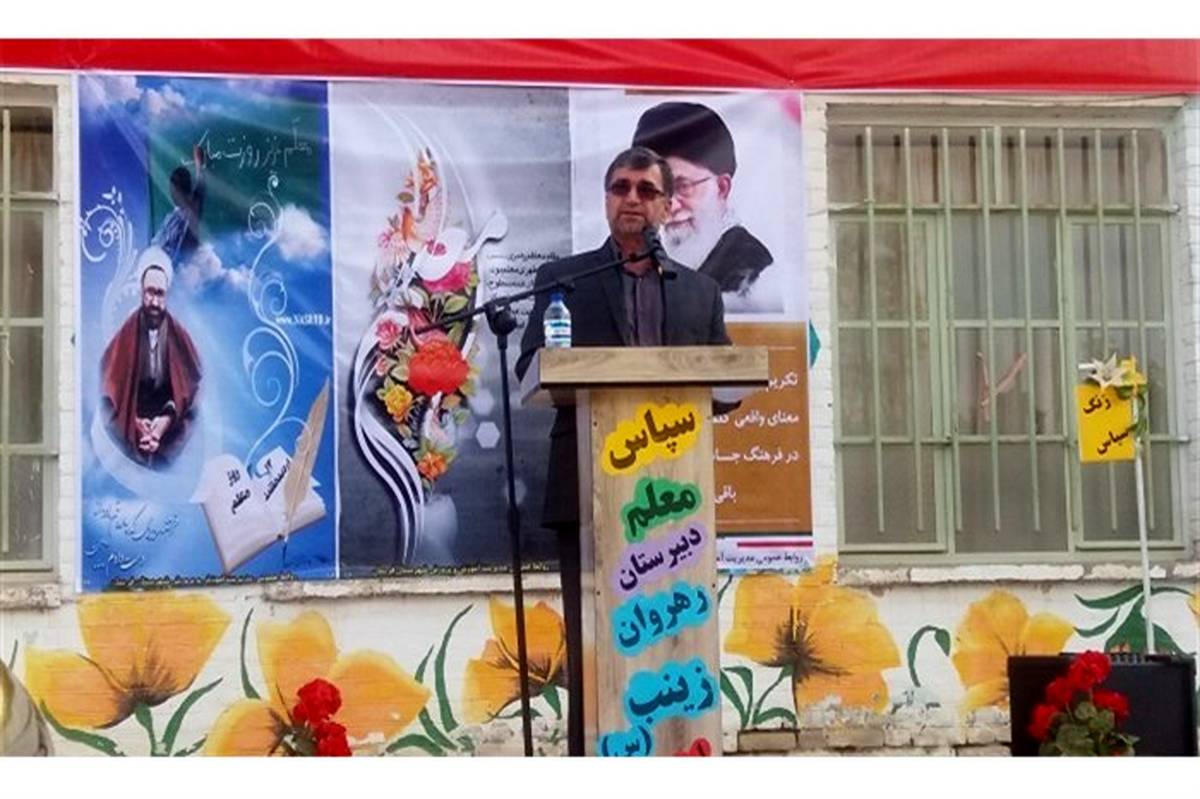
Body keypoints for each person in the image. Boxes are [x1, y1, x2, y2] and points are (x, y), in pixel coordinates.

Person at [516, 146, 731, 756]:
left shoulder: (700, 292)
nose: (631, 199)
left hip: (673, 502)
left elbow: (725, 387)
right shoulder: (564, 281)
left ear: (666, 204)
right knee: (594, 651)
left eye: (645, 189)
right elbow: (530, 369)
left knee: (675, 640)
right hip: (588, 492)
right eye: (620, 188)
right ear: (607, 199)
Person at [631, 101, 779, 313]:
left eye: (683, 186)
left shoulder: (753, 274)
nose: (669, 206)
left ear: (722, 188)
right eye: (656, 190)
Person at [100, 247, 202, 467]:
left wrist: (165, 421)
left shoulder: (179, 335)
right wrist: (135, 422)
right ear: (141, 292)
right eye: (150, 293)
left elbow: (193, 387)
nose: (154, 302)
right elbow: (109, 388)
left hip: (168, 425)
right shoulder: (126, 335)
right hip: (133, 423)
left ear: (167, 296)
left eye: (160, 294)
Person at [152, 144, 207, 267]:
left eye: (174, 190)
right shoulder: (172, 217)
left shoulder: (190, 213)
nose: (171, 193)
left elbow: (200, 189)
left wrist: (200, 166)